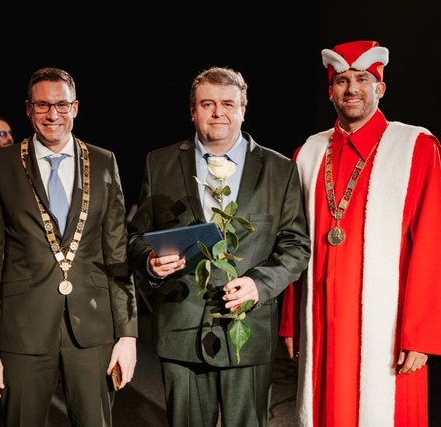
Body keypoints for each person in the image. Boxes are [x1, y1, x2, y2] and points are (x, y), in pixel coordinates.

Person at [278, 40, 441, 426]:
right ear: (330, 92)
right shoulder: (308, 153)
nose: (352, 89)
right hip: (320, 319)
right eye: (342, 81)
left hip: (388, 327)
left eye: (363, 79)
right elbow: (294, 241)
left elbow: (433, 242)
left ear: (380, 88)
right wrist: (291, 320)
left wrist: (421, 334)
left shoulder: (414, 147)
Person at [127, 66, 311, 427]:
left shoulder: (280, 169)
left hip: (248, 329)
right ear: (192, 111)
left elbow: (296, 246)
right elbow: (135, 238)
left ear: (243, 109)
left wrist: (259, 284)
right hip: (180, 327)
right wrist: (149, 261)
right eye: (206, 104)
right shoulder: (159, 163)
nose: (217, 112)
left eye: (227, 103)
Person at [0, 67, 138, 427]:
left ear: (75, 107)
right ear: (28, 109)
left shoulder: (104, 161)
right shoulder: (0, 165)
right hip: (21, 328)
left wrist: (128, 334)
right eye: (43, 105)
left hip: (93, 327)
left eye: (62, 105)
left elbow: (117, 253)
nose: (53, 115)